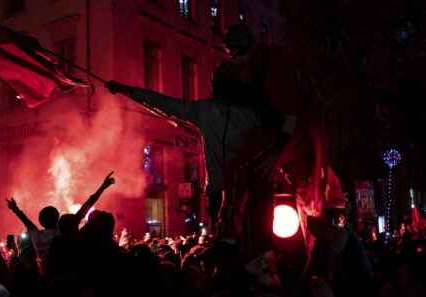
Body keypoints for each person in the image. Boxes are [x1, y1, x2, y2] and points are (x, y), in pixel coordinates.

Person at [105, 23, 297, 258]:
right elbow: (289, 119)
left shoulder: (212, 111)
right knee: (252, 248)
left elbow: (161, 102)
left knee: (240, 247)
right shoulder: (246, 111)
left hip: (241, 187)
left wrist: (125, 89)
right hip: (239, 188)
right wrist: (275, 152)